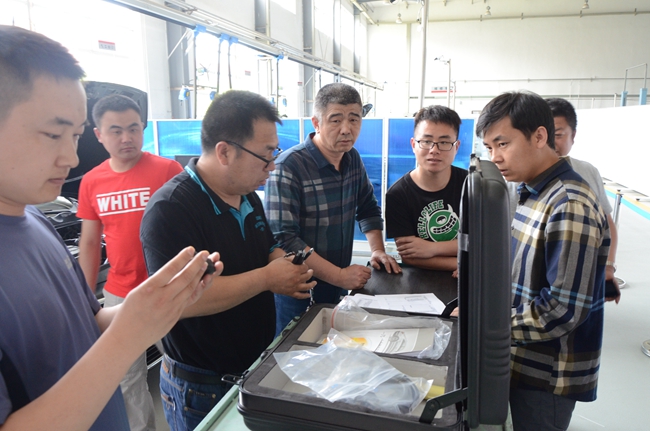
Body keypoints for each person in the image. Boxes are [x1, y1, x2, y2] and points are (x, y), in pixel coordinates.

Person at [0, 25, 218, 431]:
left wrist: (151, 306)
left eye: (75, 136)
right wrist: (127, 336)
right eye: (53, 134)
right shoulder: (89, 184)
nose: (70, 157)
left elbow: (85, 326)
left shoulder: (35, 221)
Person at [140, 89, 316, 430]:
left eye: (274, 153)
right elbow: (181, 300)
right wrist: (267, 278)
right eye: (265, 156)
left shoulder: (247, 196)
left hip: (252, 366)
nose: (272, 166)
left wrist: (285, 265)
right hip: (201, 385)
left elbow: (266, 248)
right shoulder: (171, 209)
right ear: (224, 151)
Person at [477, 91, 609, 431]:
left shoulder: (569, 204)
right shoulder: (532, 191)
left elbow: (561, 309)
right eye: (489, 148)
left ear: (539, 136)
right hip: (524, 356)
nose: (495, 157)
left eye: (503, 144)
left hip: (550, 373)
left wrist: (486, 325)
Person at [76, 94, 183, 430]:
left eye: (134, 128)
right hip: (119, 295)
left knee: (182, 367)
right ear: (99, 134)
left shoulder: (168, 170)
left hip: (168, 288)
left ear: (143, 128)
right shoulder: (92, 181)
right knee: (126, 380)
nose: (126, 138)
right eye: (116, 130)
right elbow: (89, 243)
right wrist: (84, 299)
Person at [264, 82, 401, 336]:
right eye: (336, 120)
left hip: (337, 285)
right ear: (316, 123)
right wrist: (338, 275)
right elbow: (285, 238)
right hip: (299, 287)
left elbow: (368, 208)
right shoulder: (289, 166)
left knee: (332, 344)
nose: (346, 129)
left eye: (354, 119)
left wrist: (377, 250)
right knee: (294, 348)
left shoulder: (352, 159)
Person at [546, 97, 620, 302]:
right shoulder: (521, 180)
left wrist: (608, 268)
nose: (550, 142)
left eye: (558, 135)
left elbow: (607, 224)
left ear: (573, 135)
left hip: (586, 280)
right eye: (544, 134)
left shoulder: (588, 172)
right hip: (541, 285)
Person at [385, 105, 467, 272]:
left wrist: (431, 248)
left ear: (456, 147)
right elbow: (409, 255)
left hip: (468, 279)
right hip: (418, 280)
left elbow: (483, 242)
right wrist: (463, 265)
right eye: (426, 141)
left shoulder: (472, 185)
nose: (434, 150)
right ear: (413, 144)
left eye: (444, 142)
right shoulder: (397, 194)